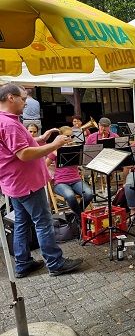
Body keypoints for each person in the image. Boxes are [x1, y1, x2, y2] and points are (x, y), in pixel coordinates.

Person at [0, 83, 83, 277]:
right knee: (43, 222)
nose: (26, 102)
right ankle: (55, 262)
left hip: (15, 183)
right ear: (11, 97)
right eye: (23, 98)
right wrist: (54, 144)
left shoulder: (6, 120)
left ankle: (23, 263)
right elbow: (23, 154)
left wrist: (40, 139)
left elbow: (16, 146)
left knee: (22, 223)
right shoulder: (10, 123)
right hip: (27, 183)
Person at [46, 126, 94, 221]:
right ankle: (81, 218)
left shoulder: (75, 148)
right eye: (67, 136)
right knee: (70, 196)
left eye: (71, 136)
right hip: (60, 182)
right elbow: (44, 165)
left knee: (89, 194)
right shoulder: (55, 150)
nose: (70, 138)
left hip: (76, 179)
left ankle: (77, 215)